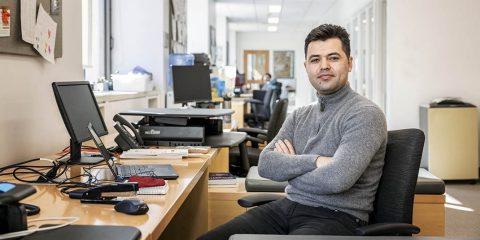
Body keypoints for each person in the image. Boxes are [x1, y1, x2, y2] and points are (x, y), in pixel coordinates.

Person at [198, 24, 387, 239]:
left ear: (350, 63)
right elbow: (266, 164)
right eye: (315, 60)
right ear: (306, 66)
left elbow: (337, 179)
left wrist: (290, 169)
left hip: (337, 217)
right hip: (287, 207)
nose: (324, 66)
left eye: (333, 58)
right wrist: (315, 161)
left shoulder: (365, 114)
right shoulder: (300, 115)